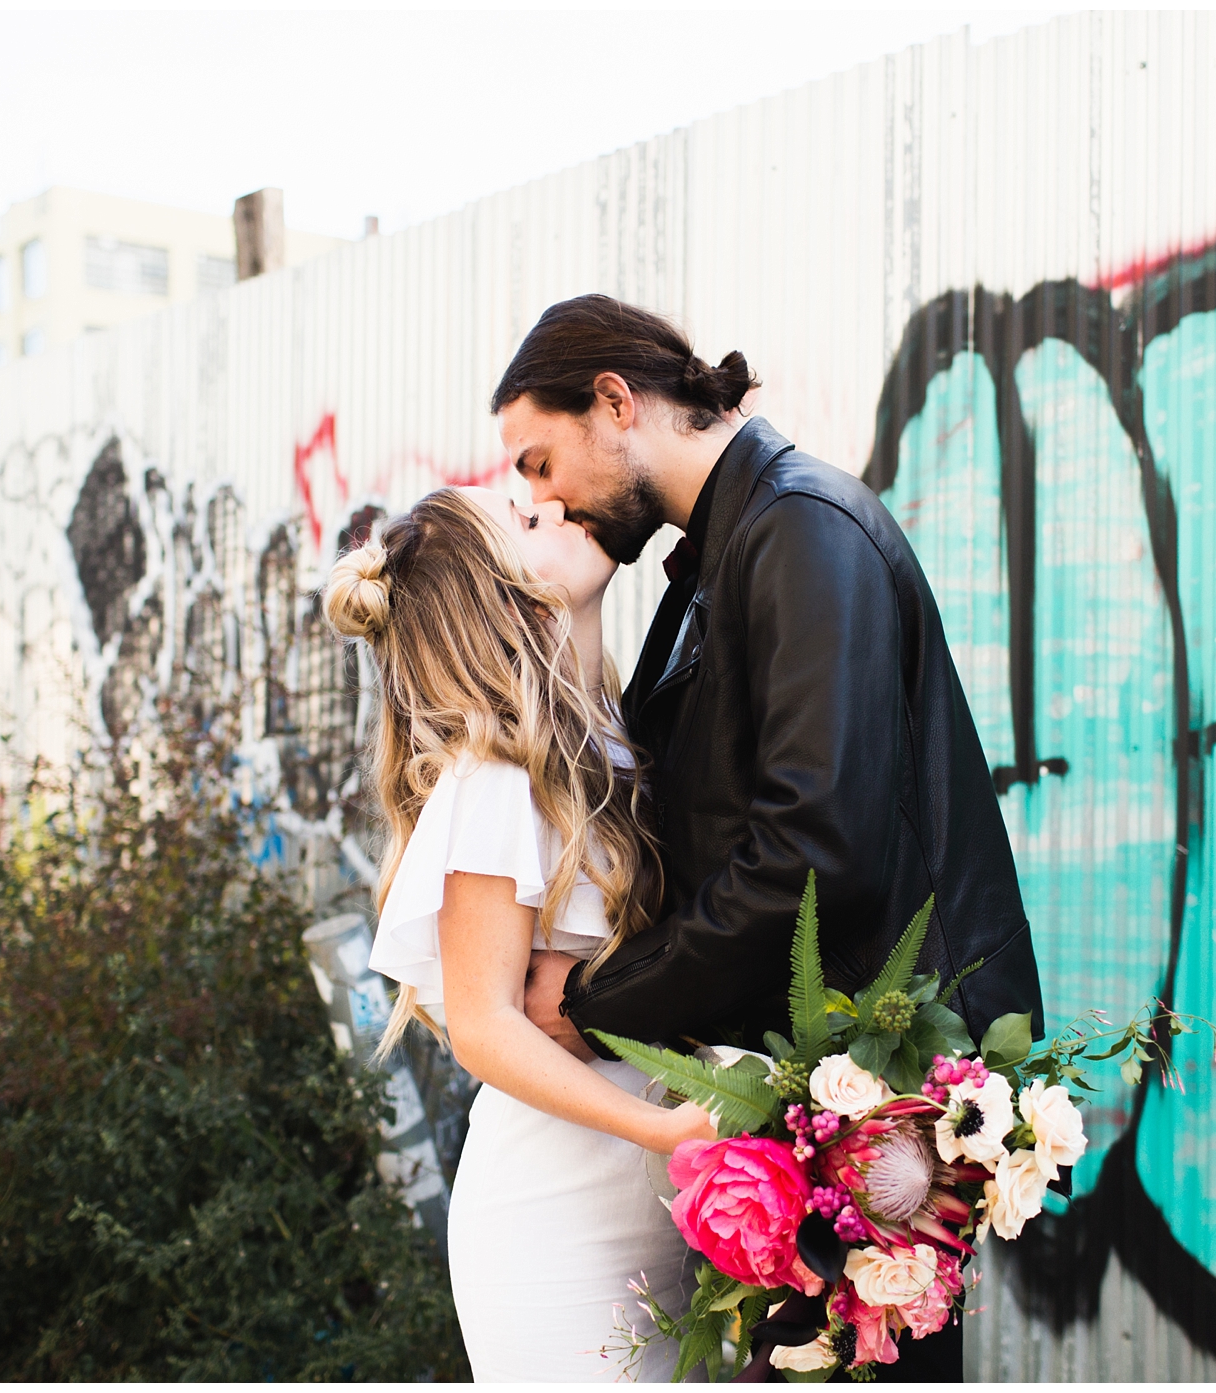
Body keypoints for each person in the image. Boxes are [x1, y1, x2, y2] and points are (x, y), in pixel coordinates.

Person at [496, 294, 1045, 1380]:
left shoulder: (799, 528)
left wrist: (603, 998)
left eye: (541, 458)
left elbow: (813, 852)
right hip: (808, 1087)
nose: (539, 494)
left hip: (880, 1101)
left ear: (615, 402)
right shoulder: (712, 561)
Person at [322, 486, 712, 1382]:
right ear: (505, 597)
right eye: (528, 521)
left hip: (652, 1208)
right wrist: (667, 1133)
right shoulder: (497, 777)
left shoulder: (618, 734)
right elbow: (485, 1024)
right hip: (557, 1221)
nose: (557, 503)